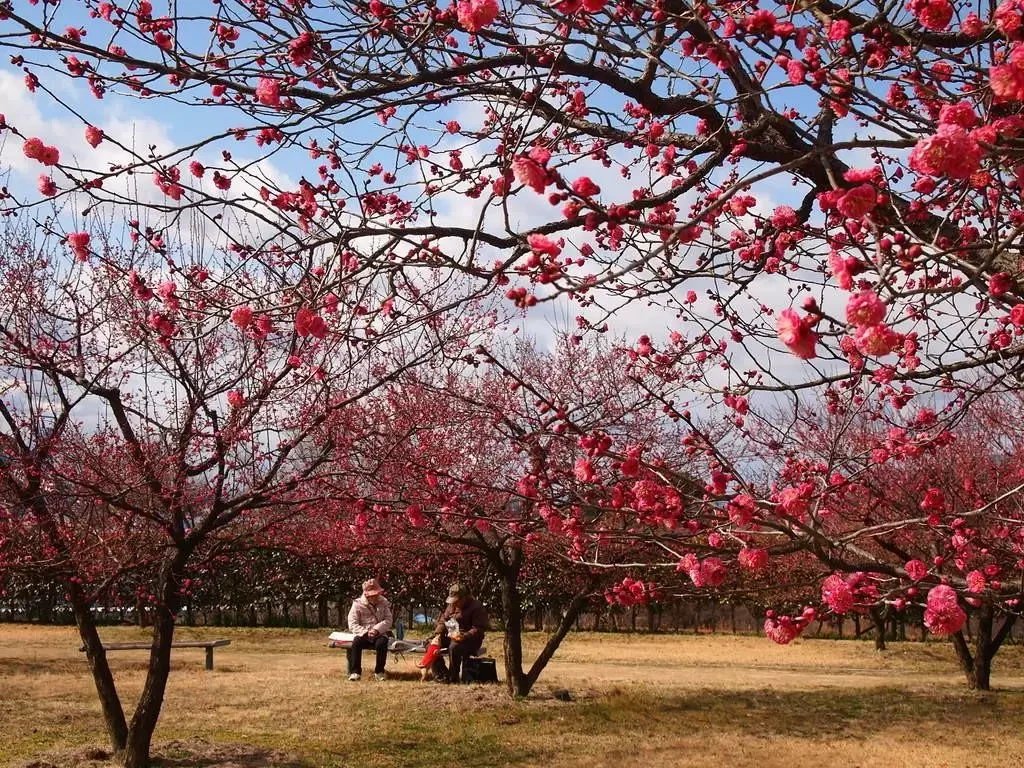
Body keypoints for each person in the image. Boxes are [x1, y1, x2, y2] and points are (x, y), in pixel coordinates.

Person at [428, 583, 488, 683]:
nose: (454, 603)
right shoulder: (451, 606)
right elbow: (443, 620)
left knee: (454, 647)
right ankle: (442, 675)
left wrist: (465, 636)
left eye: (456, 601)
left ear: (464, 597)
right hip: (453, 635)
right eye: (452, 601)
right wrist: (437, 635)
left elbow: (479, 628)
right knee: (431, 644)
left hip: (471, 640)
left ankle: (453, 677)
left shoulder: (477, 607)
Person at [346, 578, 393, 681]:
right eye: (373, 595)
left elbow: (388, 620)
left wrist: (376, 630)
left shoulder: (384, 602)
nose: (375, 596)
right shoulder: (357, 604)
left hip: (379, 634)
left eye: (377, 594)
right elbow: (352, 623)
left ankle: (379, 672)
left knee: (382, 643)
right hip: (363, 634)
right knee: (356, 642)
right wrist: (365, 632)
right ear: (366, 595)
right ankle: (355, 672)